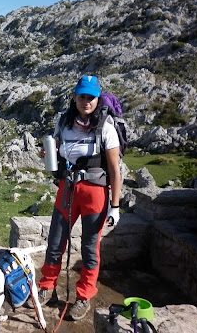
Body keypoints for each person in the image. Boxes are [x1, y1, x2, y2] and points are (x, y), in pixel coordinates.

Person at [38, 75, 121, 321]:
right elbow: (57, 153)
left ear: (97, 99)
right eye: (82, 96)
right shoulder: (63, 122)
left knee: (89, 247)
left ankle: (83, 296)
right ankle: (47, 286)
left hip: (95, 191)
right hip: (67, 188)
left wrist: (115, 206)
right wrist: (47, 154)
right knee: (55, 241)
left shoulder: (105, 126)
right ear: (75, 97)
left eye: (91, 97)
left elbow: (115, 169)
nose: (86, 101)